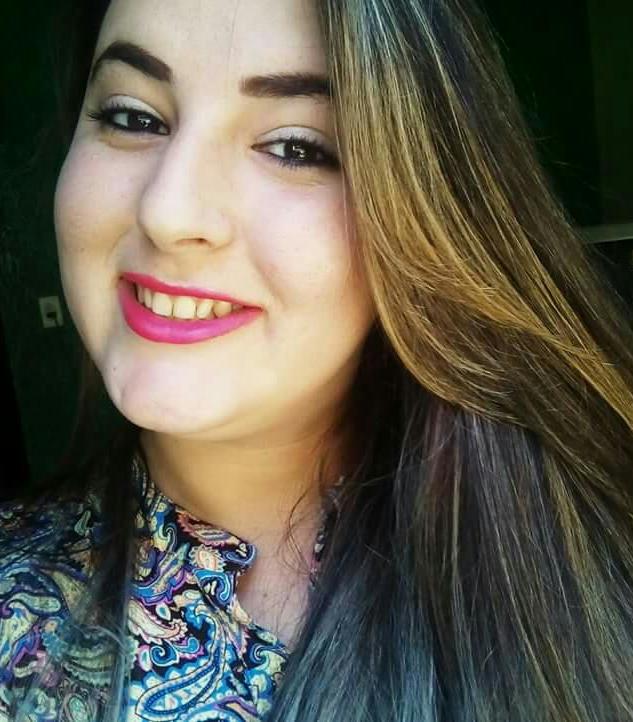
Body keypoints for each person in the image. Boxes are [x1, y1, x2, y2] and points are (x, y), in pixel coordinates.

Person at [2, 0, 633, 720]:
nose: (169, 212)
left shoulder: (594, 562)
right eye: (132, 117)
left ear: (426, 209)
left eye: (295, 148)